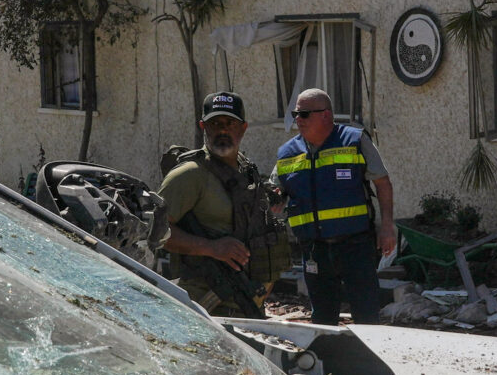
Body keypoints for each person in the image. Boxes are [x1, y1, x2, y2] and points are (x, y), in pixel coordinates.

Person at [156, 92, 287, 316]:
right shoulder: (190, 175)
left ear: (243, 128)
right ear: (203, 127)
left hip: (248, 303)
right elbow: (156, 231)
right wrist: (211, 248)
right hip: (205, 307)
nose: (222, 130)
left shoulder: (246, 170)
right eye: (215, 123)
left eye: (230, 123)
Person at [275, 87, 396, 326]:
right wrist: (274, 199)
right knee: (322, 318)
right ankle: (326, 361)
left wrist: (387, 227)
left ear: (326, 115)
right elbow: (276, 191)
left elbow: (383, 183)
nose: (298, 120)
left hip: (356, 245)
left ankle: (371, 363)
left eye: (304, 114)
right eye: (296, 114)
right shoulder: (287, 153)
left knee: (367, 314)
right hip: (313, 250)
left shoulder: (354, 140)